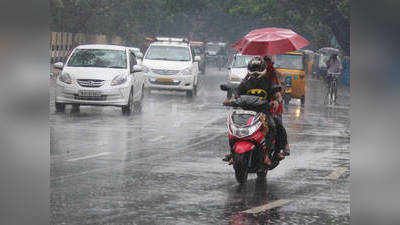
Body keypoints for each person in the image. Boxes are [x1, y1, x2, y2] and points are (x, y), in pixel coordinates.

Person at [223, 57, 290, 166]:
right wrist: (229, 100)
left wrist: (276, 100)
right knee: (232, 127)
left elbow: (277, 94)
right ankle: (232, 153)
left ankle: (272, 152)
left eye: (258, 69)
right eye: (253, 69)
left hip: (263, 113)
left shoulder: (269, 82)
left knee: (275, 125)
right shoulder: (245, 83)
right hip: (246, 113)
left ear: (263, 69)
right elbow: (236, 94)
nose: (255, 71)